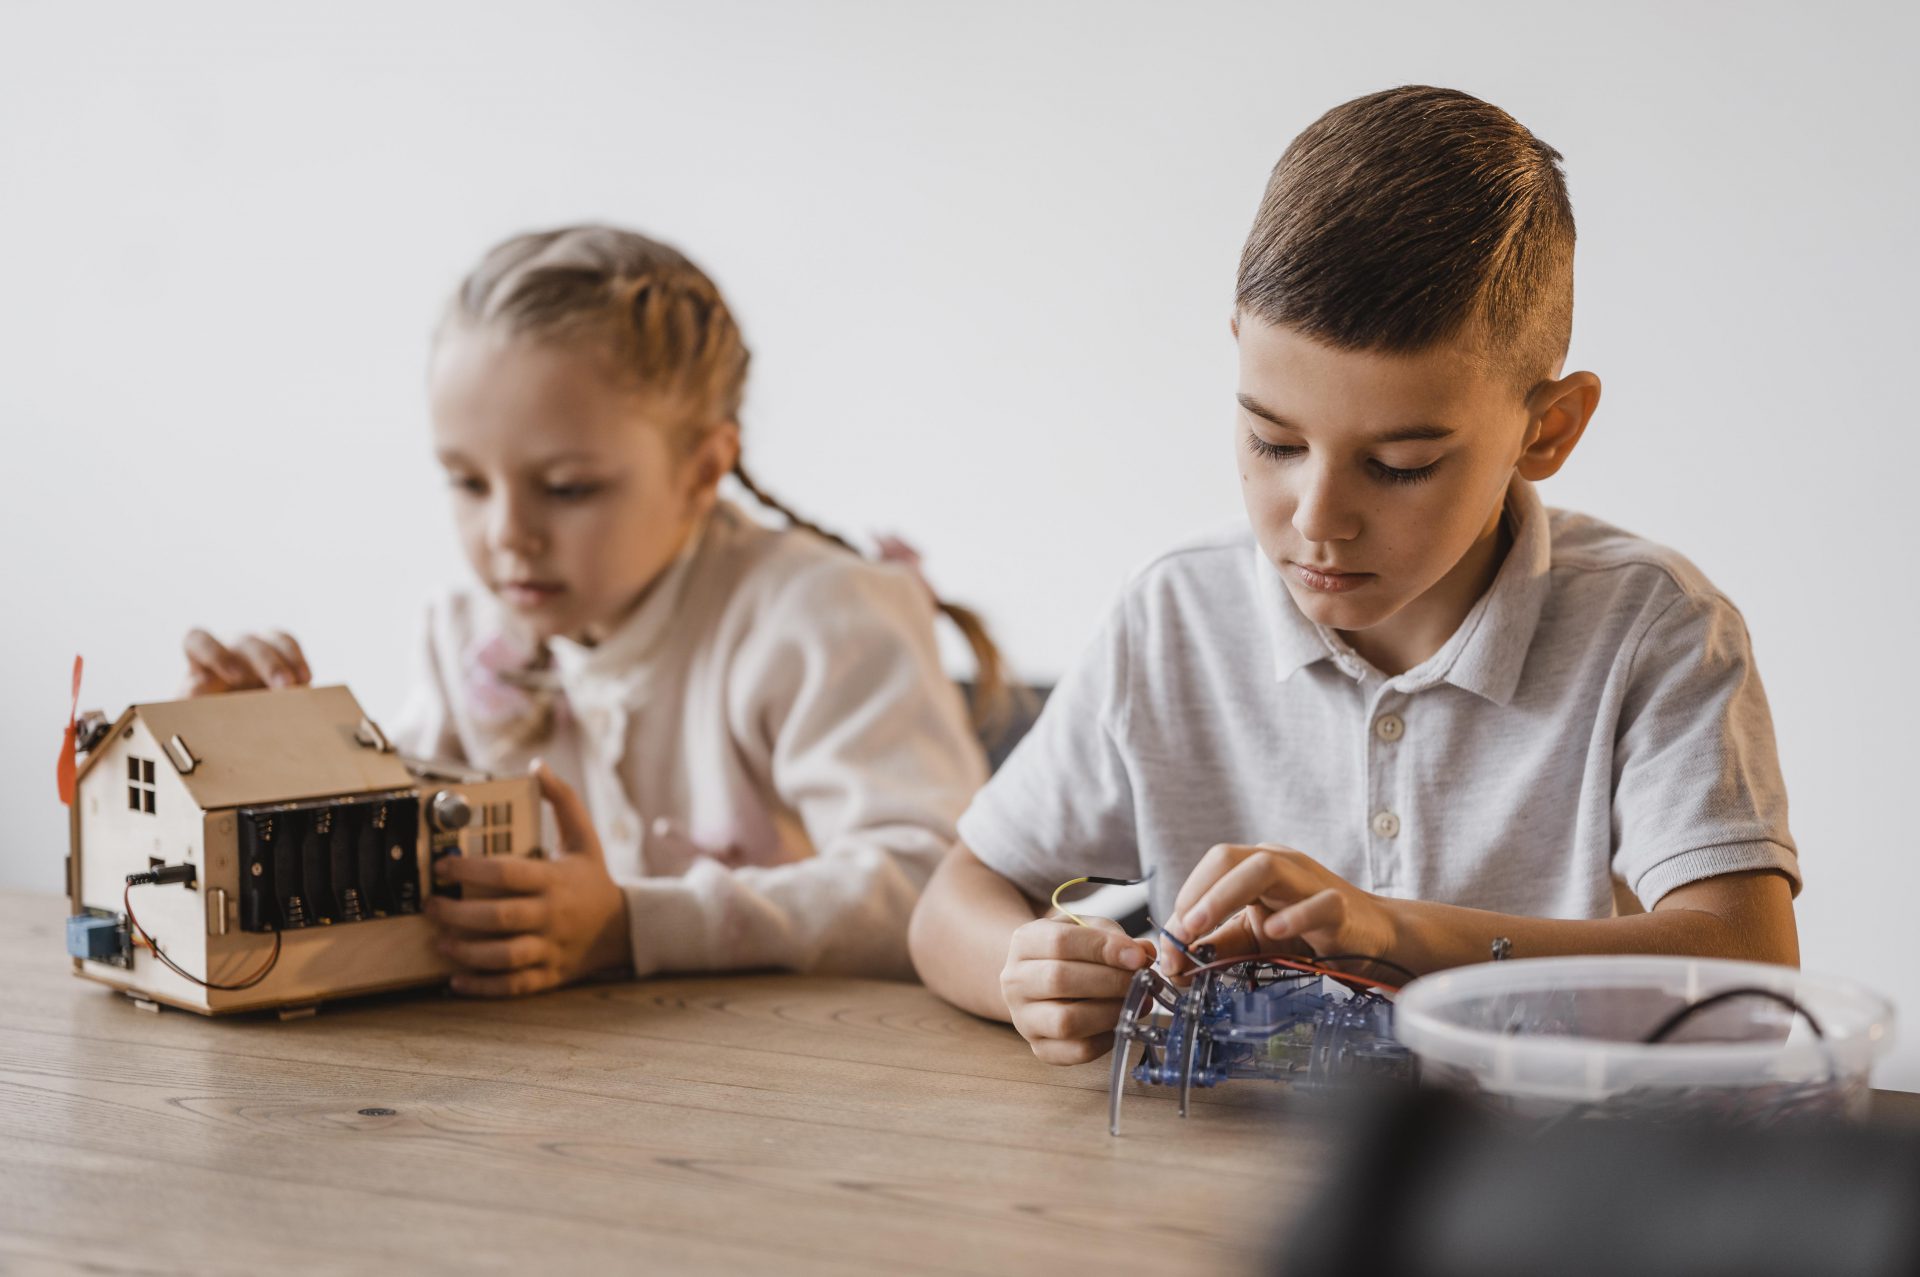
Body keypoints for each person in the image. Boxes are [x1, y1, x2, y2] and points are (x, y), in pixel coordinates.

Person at [908, 86, 1800, 1065]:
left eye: (1401, 465)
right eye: (1272, 440)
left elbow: (1750, 977)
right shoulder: (1176, 613)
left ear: (1547, 431)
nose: (1317, 519)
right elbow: (954, 900)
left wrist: (1394, 930)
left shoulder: (1653, 628)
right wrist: (1024, 970)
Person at [182, 225, 1002, 994]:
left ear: (702, 468)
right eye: (468, 482)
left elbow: (931, 890)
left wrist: (634, 924)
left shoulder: (819, 617)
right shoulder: (465, 629)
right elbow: (407, 873)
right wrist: (267, 760)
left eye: (568, 488)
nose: (508, 535)